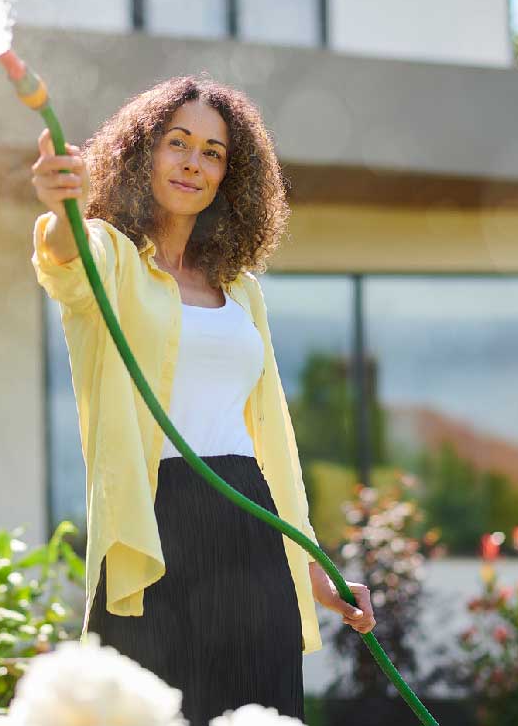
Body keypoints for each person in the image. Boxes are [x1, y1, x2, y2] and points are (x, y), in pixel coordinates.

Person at [29, 74, 376, 725]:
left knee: (259, 712)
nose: (193, 162)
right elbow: (67, 261)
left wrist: (313, 570)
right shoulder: (114, 258)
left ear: (231, 173)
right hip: (155, 523)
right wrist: (59, 210)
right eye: (176, 142)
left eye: (212, 151)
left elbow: (270, 442)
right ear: (142, 153)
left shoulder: (239, 289)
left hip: (251, 522)